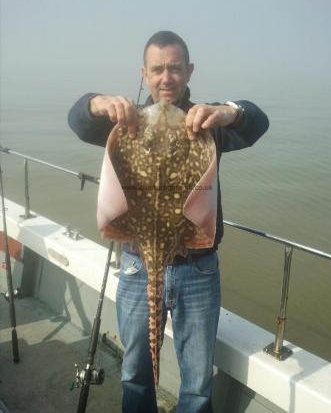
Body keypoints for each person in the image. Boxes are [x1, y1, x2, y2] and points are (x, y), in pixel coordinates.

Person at [68, 31, 269, 413]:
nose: (166, 77)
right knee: (135, 374)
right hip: (136, 262)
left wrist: (232, 110)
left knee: (196, 386)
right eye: (157, 69)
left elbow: (257, 122)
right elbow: (77, 119)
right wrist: (96, 103)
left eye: (175, 68)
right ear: (144, 73)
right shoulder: (125, 122)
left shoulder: (207, 121)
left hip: (197, 266)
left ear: (189, 70)